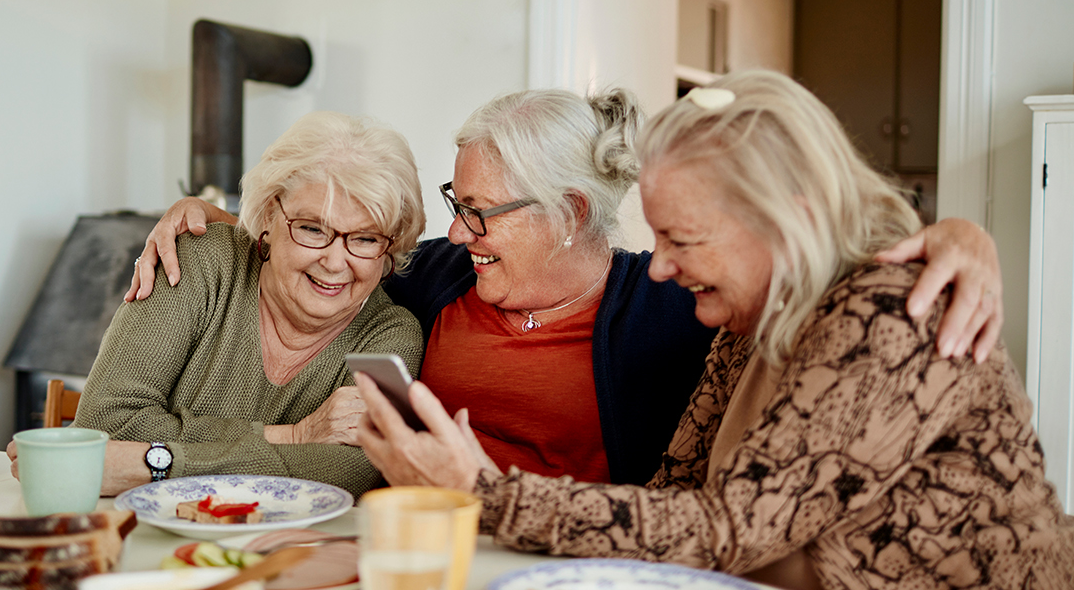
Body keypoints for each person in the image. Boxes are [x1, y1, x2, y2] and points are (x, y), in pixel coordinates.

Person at [357, 70, 1074, 589]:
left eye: (684, 240)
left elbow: (730, 529)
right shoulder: (746, 319)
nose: (659, 267)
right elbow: (678, 497)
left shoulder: (896, 317)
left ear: (782, 220)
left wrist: (483, 491)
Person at [126, 87, 1004, 489]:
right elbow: (328, 237)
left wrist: (963, 241)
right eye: (453, 207)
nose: (456, 232)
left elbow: (811, 277)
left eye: (480, 212)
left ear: (570, 212)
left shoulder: (672, 301)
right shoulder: (436, 277)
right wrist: (205, 214)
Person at [9, 111, 426, 498]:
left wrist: (155, 461)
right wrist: (293, 437)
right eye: (312, 229)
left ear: (393, 246)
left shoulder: (390, 335)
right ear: (267, 215)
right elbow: (105, 422)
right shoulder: (198, 261)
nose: (335, 262)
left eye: (366, 238)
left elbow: (344, 474)